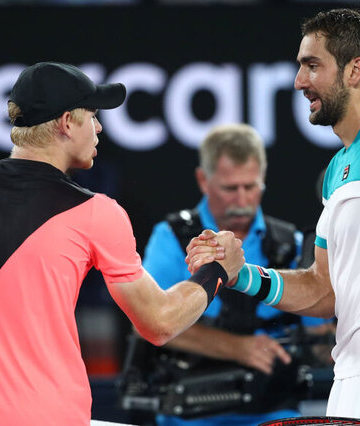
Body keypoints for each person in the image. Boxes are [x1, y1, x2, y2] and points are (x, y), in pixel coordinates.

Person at [0, 62, 245, 426]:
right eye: (93, 116)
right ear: (67, 123)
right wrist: (216, 272)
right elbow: (159, 323)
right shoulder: (97, 212)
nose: (100, 128)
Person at [188, 8, 360, 426]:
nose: (300, 82)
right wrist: (241, 273)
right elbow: (324, 290)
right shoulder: (338, 168)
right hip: (350, 385)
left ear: (355, 71)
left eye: (312, 66)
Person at [141, 123, 330, 426]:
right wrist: (238, 348)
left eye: (251, 186)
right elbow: (148, 321)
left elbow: (319, 336)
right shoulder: (172, 238)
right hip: (188, 416)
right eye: (230, 188)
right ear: (204, 180)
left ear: (263, 179)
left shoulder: (290, 243)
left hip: (275, 411)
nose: (242, 199)